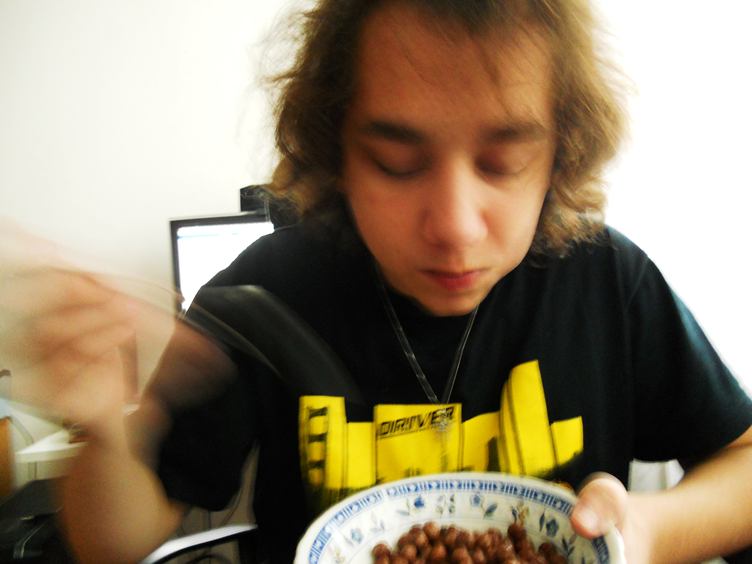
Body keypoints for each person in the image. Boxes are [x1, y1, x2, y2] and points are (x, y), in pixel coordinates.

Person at [1, 0, 751, 562]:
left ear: (560, 152)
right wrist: (104, 426)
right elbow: (116, 544)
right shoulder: (259, 298)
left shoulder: (606, 280)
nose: (455, 226)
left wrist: (647, 532)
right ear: (338, 154)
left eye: (503, 161)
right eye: (397, 163)